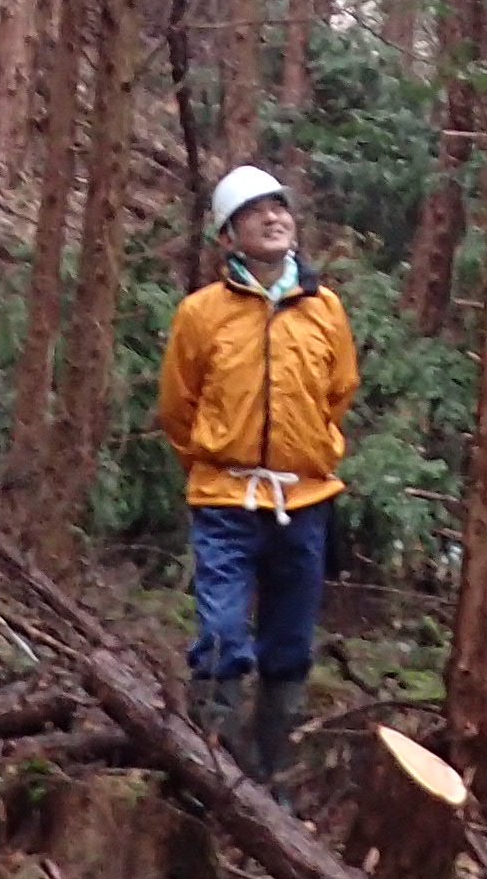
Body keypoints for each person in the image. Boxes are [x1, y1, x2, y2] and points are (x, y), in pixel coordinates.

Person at [152, 163, 358, 784]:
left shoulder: (324, 309)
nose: (273, 218)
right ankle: (208, 769)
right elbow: (176, 404)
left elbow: (339, 391)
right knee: (218, 632)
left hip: (306, 499)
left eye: (279, 207)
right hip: (224, 497)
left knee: (290, 640)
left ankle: (272, 775)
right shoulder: (201, 313)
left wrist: (313, 454)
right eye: (254, 212)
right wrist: (213, 464)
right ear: (228, 236)